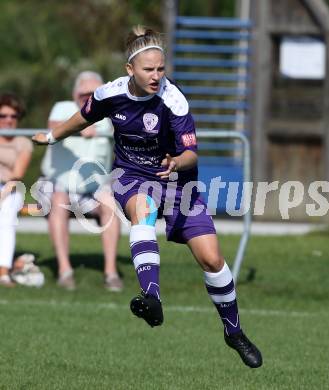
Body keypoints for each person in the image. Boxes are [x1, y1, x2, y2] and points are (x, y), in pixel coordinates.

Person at [33, 26, 262, 368]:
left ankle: (234, 332)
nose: (156, 76)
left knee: (213, 259)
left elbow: (192, 154)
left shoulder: (173, 100)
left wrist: (175, 162)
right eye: (148, 70)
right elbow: (83, 118)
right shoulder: (109, 93)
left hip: (179, 182)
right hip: (131, 176)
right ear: (130, 70)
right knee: (144, 208)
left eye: (161, 69)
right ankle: (151, 296)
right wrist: (52, 136)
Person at [40, 71, 122, 291]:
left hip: (94, 188)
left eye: (94, 94)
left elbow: (122, 128)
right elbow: (54, 124)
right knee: (58, 199)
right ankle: (65, 270)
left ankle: (111, 272)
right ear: (75, 93)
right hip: (59, 183)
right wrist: (82, 125)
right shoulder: (64, 107)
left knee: (110, 205)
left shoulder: (109, 112)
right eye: (84, 94)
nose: (89, 98)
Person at [0, 93, 33, 287]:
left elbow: (17, 175)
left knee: (7, 214)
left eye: (13, 116)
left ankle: (3, 272)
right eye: (3, 116)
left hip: (9, 187)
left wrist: (1, 196)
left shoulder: (22, 142)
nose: (8, 120)